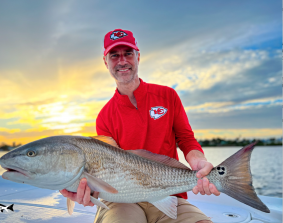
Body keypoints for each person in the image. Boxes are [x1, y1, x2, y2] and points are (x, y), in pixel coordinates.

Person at [60, 29, 220, 223]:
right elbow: (107, 166)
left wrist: (199, 162)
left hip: (167, 194)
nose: (122, 61)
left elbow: (186, 139)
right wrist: (87, 189)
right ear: (105, 61)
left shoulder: (168, 96)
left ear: (138, 56)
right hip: (122, 200)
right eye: (114, 55)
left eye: (128, 53)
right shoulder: (104, 116)